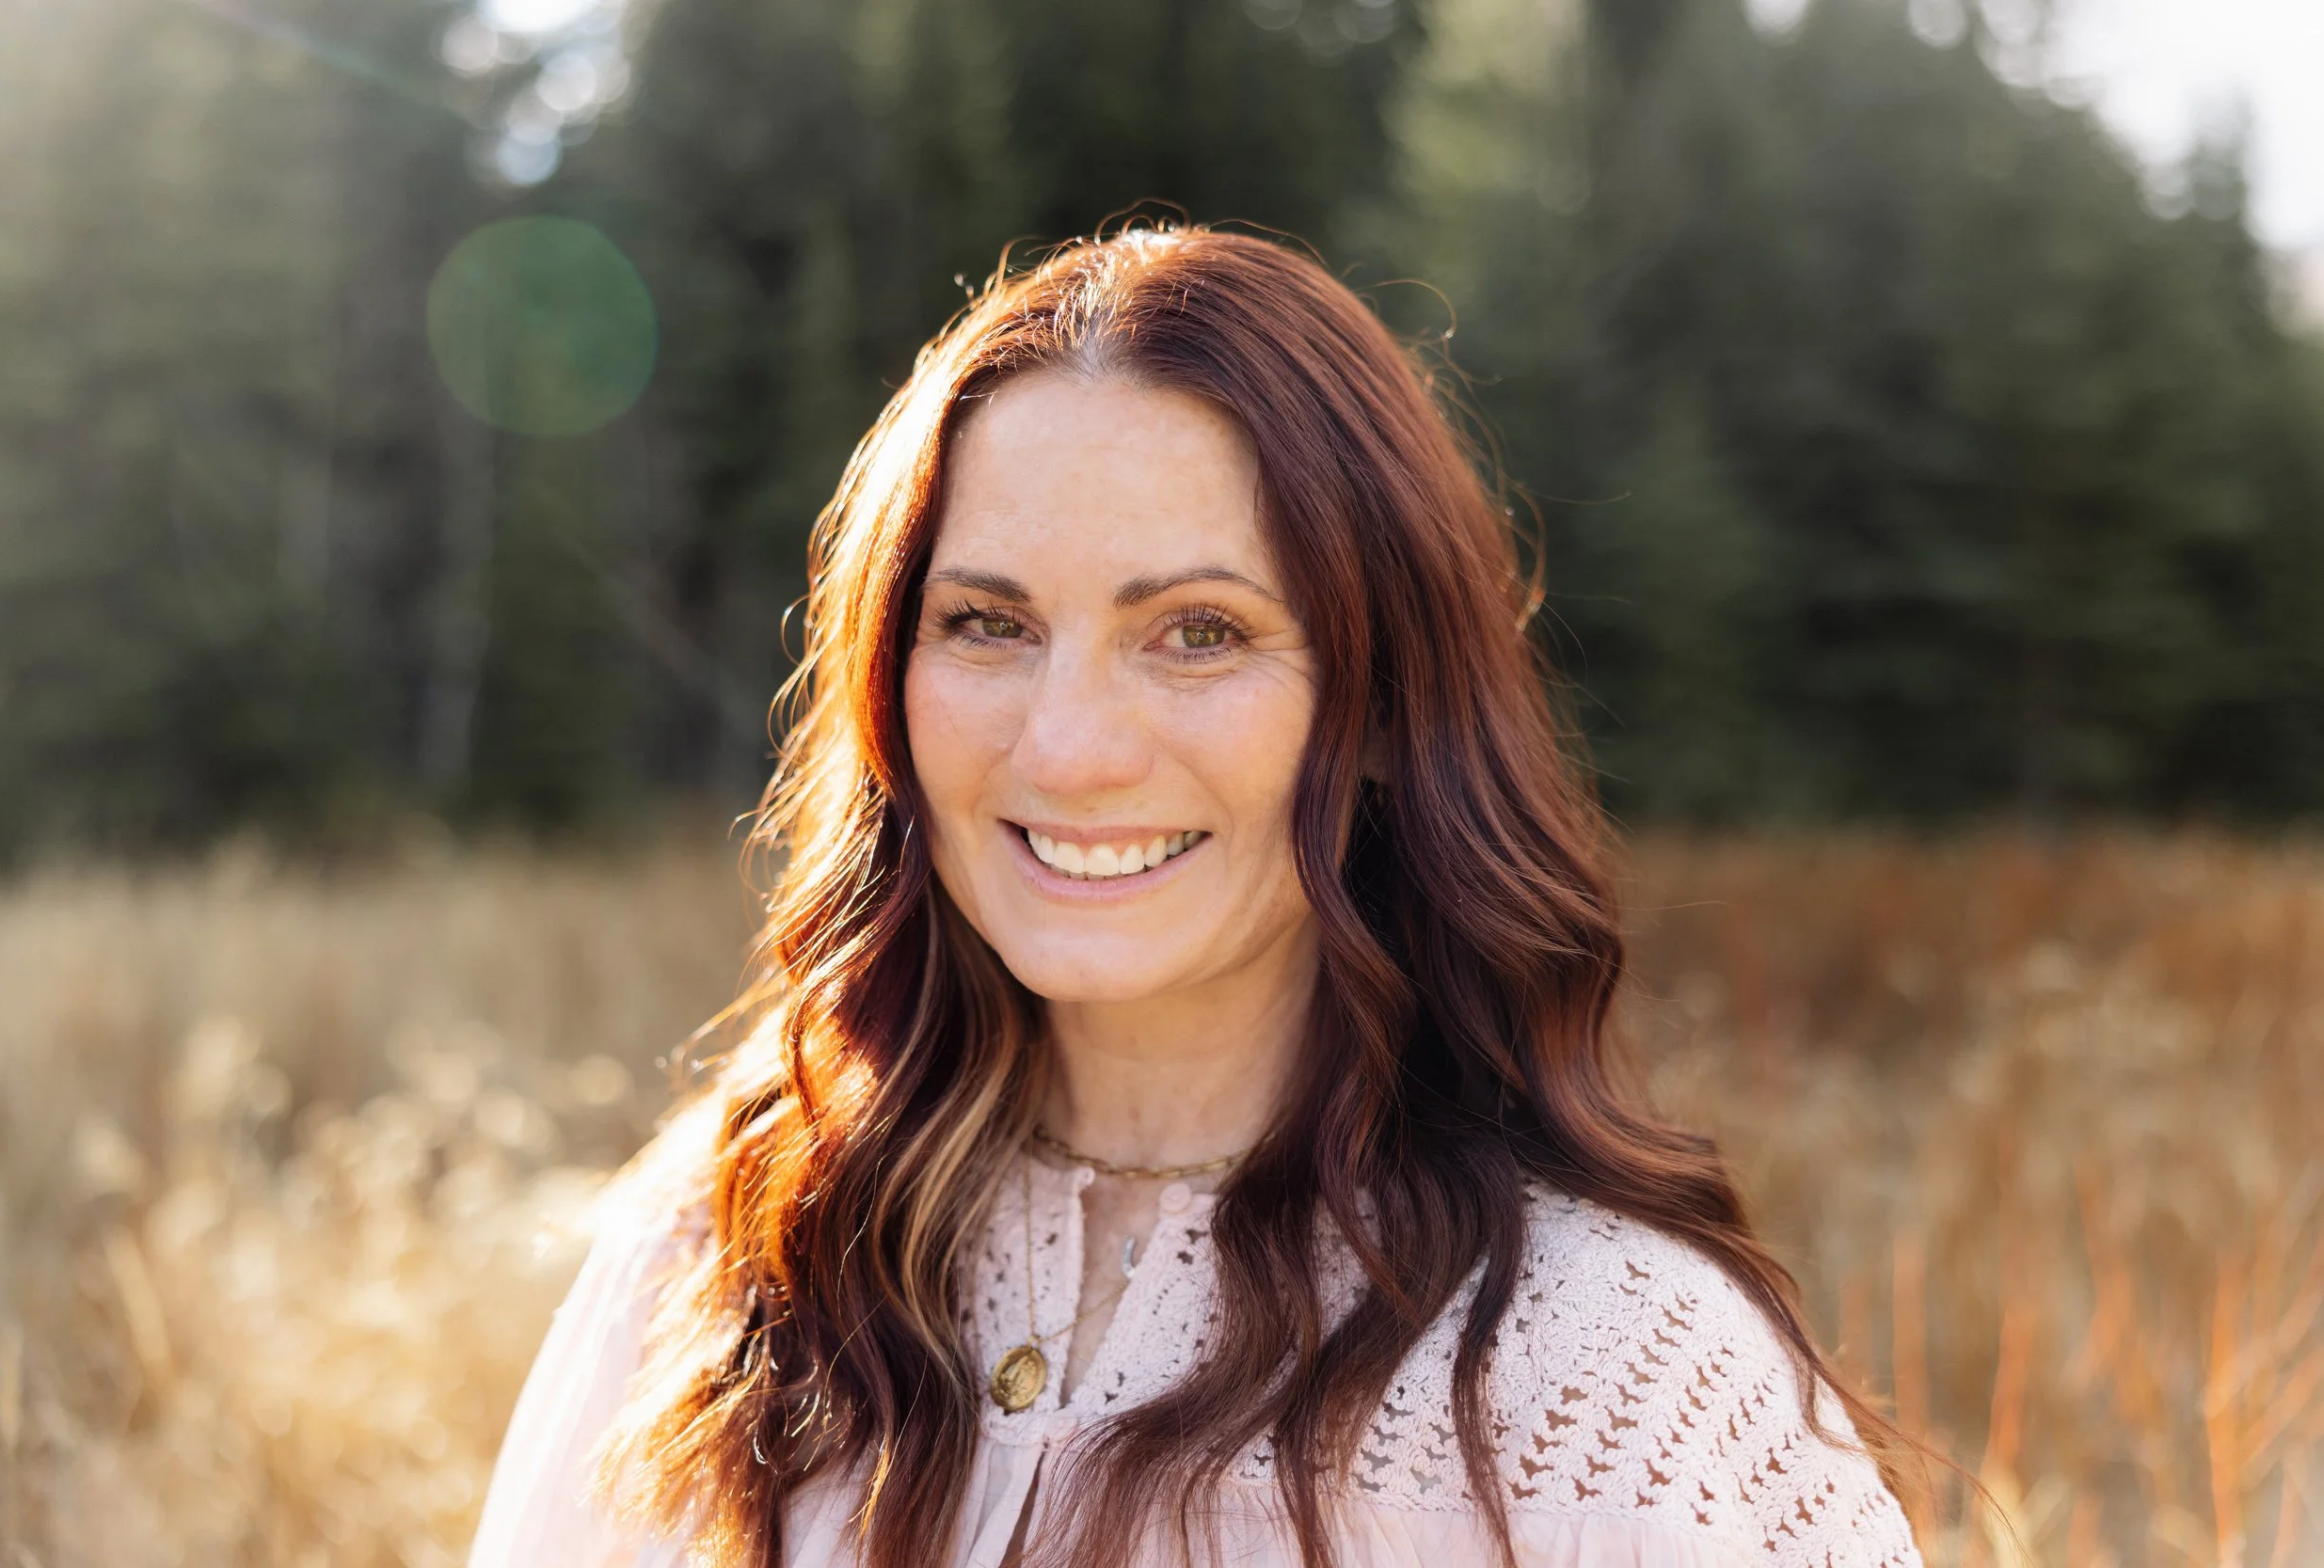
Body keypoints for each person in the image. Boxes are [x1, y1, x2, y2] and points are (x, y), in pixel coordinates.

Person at [467, 227, 1926, 1568]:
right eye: (985, 622)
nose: (1068, 747)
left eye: (1198, 632)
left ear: (1381, 709)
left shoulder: (1611, 1371)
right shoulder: (719, 1252)